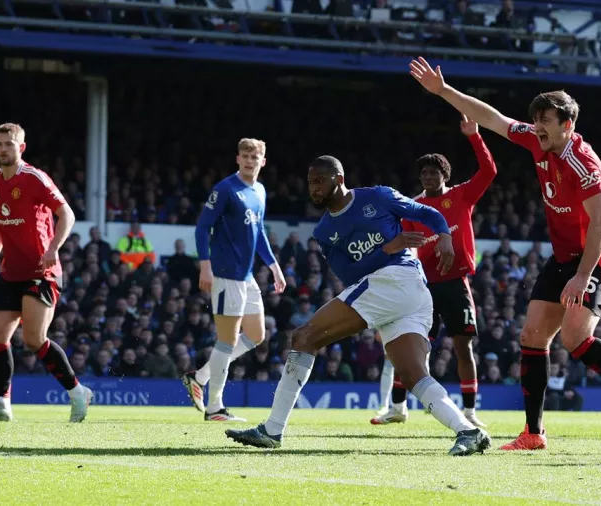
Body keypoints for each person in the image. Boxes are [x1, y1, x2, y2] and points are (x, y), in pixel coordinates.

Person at [410, 57, 601, 454]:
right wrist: (444, 92)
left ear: (568, 125)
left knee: (576, 337)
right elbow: (492, 118)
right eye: (536, 119)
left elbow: (600, 223)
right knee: (532, 336)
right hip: (563, 256)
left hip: (595, 257)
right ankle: (533, 433)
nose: (537, 126)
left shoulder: (584, 165)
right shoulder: (536, 139)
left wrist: (582, 276)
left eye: (546, 120)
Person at [226, 155, 491, 456]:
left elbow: (425, 213)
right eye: (310, 183)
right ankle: (468, 431)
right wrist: (388, 248)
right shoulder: (324, 233)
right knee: (413, 375)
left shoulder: (378, 196)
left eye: (319, 181)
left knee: (304, 337)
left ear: (338, 179)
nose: (313, 189)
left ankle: (272, 430)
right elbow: (349, 274)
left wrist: (443, 234)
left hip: (397, 280)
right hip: (404, 291)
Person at [372, 115, 497, 428]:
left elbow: (489, 171)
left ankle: (469, 412)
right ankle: (398, 407)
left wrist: (474, 137)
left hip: (455, 283)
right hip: (423, 286)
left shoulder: (462, 195)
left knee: (463, 346)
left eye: (434, 172)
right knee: (409, 346)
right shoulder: (412, 207)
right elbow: (408, 246)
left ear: (445, 175)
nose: (428, 177)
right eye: (424, 173)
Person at [0, 123, 93, 423]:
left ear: (21, 147)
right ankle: (2, 403)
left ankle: (78, 392)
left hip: (42, 270)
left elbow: (67, 214)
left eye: (9, 144)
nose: (3, 149)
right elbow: (1, 221)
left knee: (33, 338)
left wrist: (53, 248)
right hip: (10, 271)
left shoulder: (34, 178)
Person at [182, 138, 286, 421]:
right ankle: (215, 407)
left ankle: (200, 377)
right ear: (237, 159)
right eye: (245, 155)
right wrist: (206, 266)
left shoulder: (260, 191)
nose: (250, 160)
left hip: (247, 276)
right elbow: (203, 228)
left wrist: (274, 266)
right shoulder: (226, 189)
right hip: (226, 275)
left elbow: (259, 231)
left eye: (256, 156)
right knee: (226, 342)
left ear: (263, 161)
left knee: (256, 335)